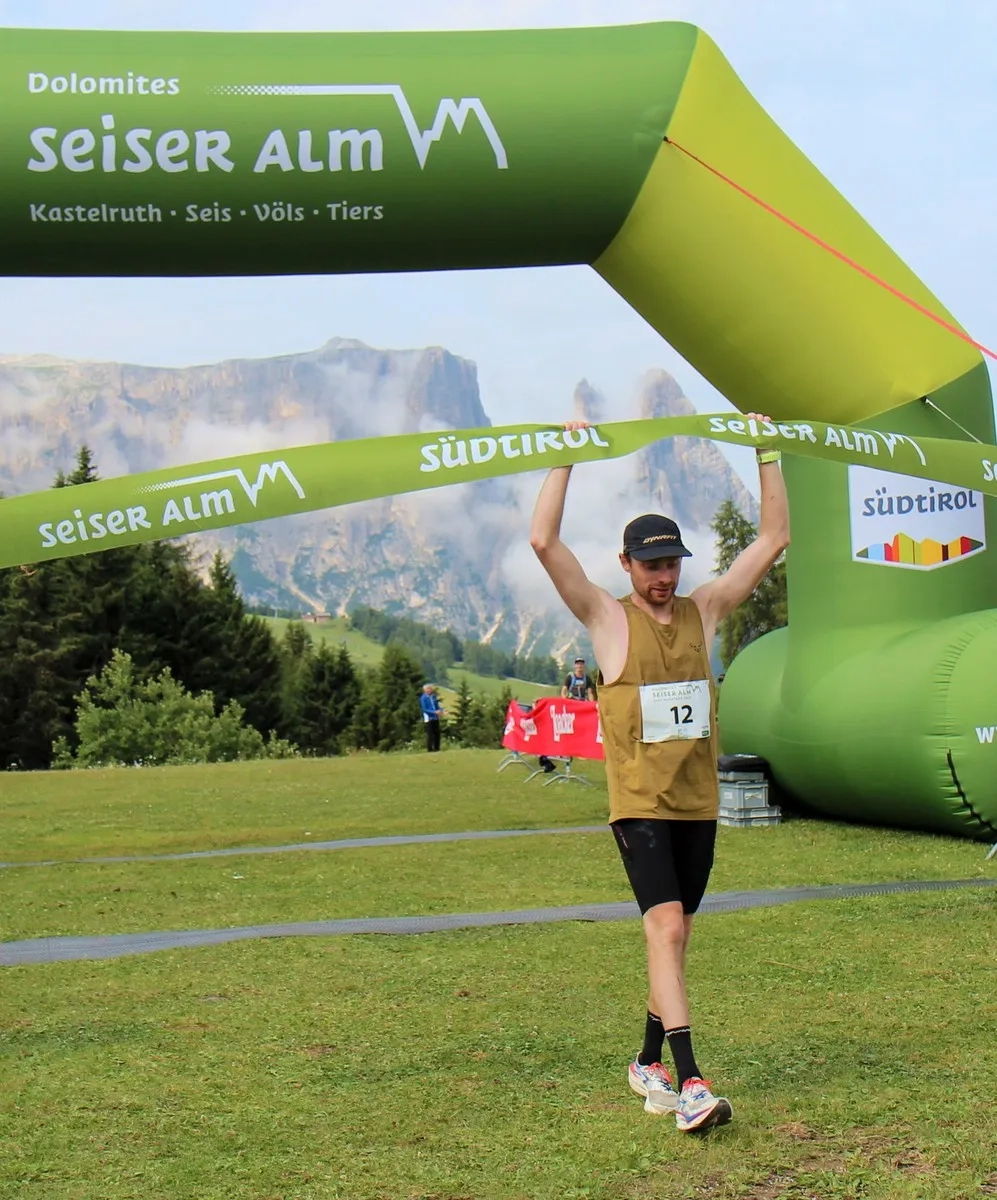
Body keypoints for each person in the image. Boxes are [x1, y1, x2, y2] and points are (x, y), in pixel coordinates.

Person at [529, 414, 789, 1134]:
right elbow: (543, 542)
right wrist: (565, 455)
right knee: (665, 927)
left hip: (697, 803)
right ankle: (691, 1081)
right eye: (651, 566)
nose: (664, 577)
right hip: (640, 803)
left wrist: (765, 449)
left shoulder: (705, 611)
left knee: (675, 937)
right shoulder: (607, 620)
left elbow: (773, 538)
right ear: (626, 565)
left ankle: (645, 1060)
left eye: (672, 563)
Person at [420, 683, 444, 753]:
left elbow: (437, 706)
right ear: (425, 690)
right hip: (429, 718)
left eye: (430, 688)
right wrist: (434, 712)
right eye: (428, 689)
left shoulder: (433, 696)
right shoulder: (423, 698)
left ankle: (437, 748)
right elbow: (424, 709)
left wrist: (441, 710)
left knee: (437, 733)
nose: (430, 690)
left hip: (435, 717)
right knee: (430, 734)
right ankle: (430, 749)